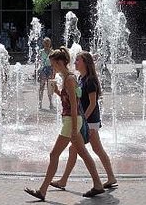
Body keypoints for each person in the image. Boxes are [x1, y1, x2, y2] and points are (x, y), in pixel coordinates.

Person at [24, 47, 105, 201]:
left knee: (54, 154)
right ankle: (98, 184)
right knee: (84, 154)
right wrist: (57, 92)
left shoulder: (69, 79)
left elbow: (75, 105)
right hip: (71, 120)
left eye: (53, 64)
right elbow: (69, 100)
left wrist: (75, 129)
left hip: (71, 121)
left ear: (60, 62)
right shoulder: (69, 78)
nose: (52, 67)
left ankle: (42, 190)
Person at [50, 51, 117, 190]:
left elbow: (93, 103)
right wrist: (57, 92)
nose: (75, 63)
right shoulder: (81, 78)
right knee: (74, 149)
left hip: (90, 119)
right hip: (83, 118)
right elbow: (75, 98)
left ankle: (109, 177)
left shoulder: (90, 80)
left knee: (96, 149)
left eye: (78, 60)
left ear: (85, 62)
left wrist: (83, 120)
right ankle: (64, 180)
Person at [37, 37, 54, 110]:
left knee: (49, 87)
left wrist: (54, 72)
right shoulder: (41, 52)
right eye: (45, 42)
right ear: (43, 43)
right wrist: (36, 71)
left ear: (50, 43)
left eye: (48, 42)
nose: (46, 44)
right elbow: (37, 62)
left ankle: (50, 103)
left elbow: (54, 63)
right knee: (42, 87)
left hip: (49, 69)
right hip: (43, 70)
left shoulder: (52, 52)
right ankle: (40, 103)